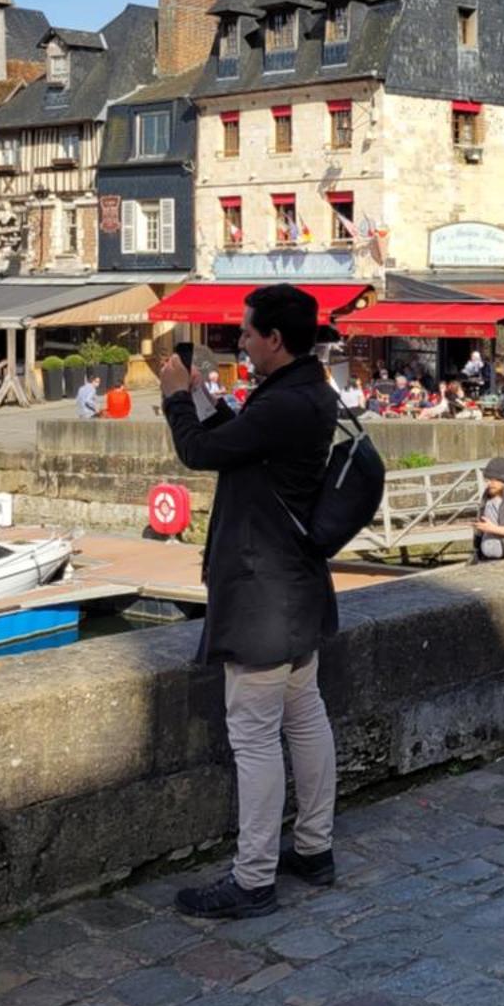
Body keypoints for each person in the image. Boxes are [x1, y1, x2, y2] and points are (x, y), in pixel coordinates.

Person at [158, 285, 340, 918]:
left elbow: (200, 451)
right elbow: (240, 441)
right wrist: (207, 398)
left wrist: (178, 395)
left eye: (246, 331)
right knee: (305, 713)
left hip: (264, 593)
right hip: (297, 585)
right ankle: (314, 847)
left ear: (275, 340)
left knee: (255, 736)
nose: (239, 339)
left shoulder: (287, 401)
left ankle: (254, 877)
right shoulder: (307, 390)